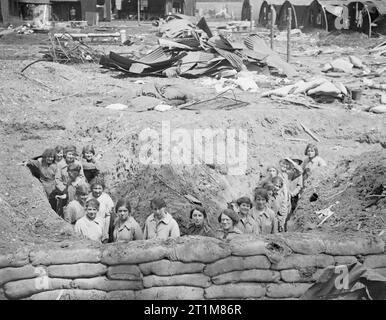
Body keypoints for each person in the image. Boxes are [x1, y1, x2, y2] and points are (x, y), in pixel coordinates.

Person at [87, 177, 114, 243]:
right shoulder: (88, 197)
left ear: (103, 189)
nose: (97, 191)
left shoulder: (106, 197)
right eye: (95, 188)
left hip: (103, 224)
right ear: (91, 189)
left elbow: (109, 215)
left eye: (99, 188)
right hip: (90, 223)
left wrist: (106, 232)